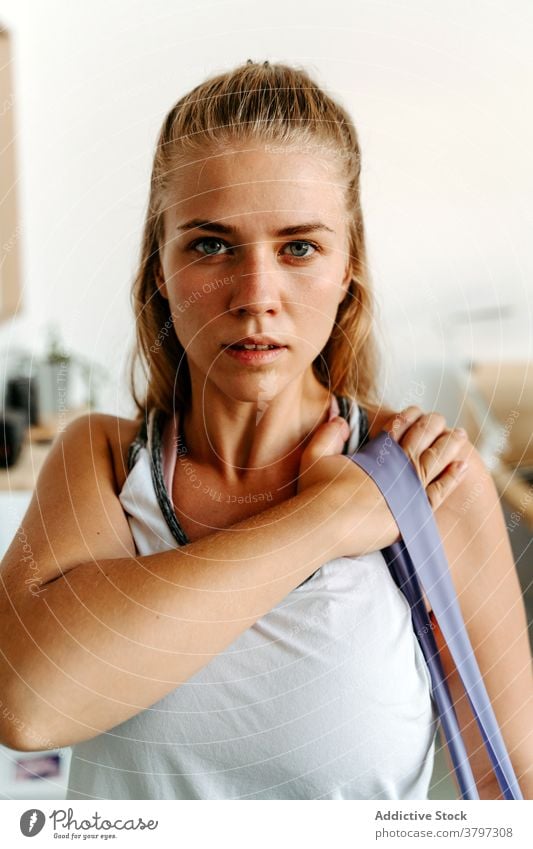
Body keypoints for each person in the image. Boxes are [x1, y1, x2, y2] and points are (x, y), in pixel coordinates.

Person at [0, 60, 531, 801]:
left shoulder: (427, 476)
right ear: (160, 264)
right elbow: (29, 705)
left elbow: (515, 778)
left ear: (349, 266)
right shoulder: (99, 459)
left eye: (299, 247)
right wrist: (324, 517)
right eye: (211, 245)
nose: (255, 296)